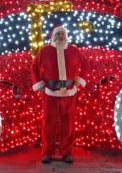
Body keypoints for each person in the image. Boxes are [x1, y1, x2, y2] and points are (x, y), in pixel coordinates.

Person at [31, 25, 88, 164]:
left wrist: (79, 82)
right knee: (48, 124)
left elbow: (85, 65)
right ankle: (47, 153)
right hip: (50, 93)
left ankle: (67, 153)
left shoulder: (74, 51)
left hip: (69, 93)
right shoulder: (44, 51)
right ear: (53, 36)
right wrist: (39, 85)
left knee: (67, 125)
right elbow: (34, 67)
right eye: (58, 34)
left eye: (62, 34)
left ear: (66, 36)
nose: (60, 37)